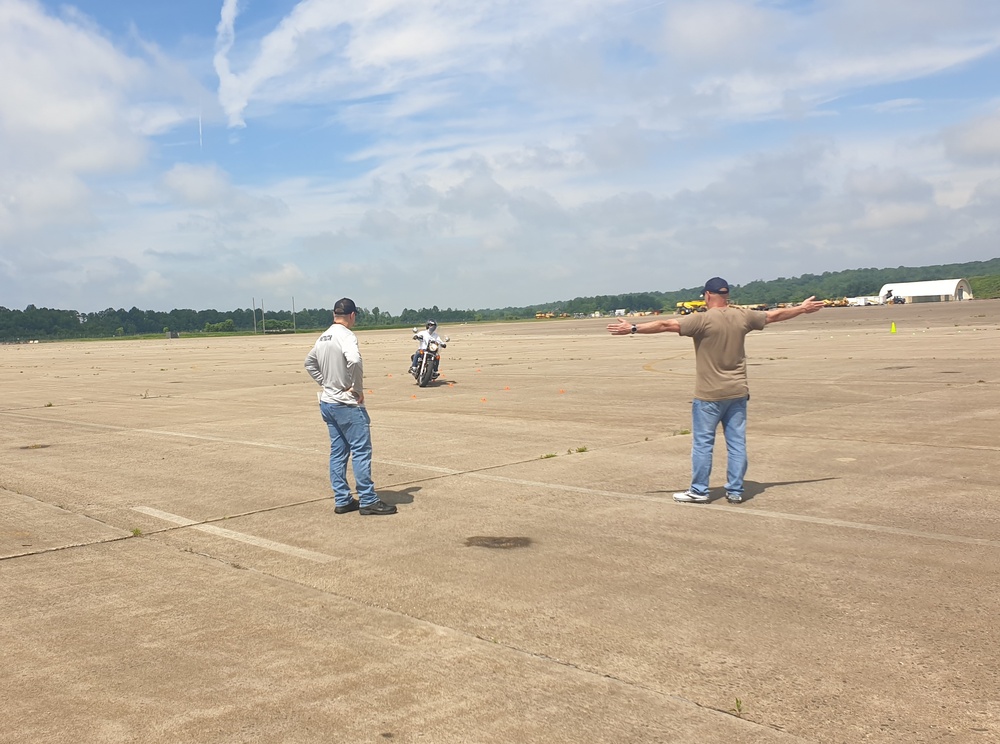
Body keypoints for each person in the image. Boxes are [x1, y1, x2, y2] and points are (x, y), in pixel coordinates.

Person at [607, 277, 824, 504]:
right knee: (737, 443)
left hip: (709, 395)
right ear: (726, 295)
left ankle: (699, 491)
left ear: (708, 295)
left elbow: (665, 325)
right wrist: (802, 308)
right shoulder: (743, 316)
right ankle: (735, 491)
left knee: (703, 443)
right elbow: (774, 315)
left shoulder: (702, 320)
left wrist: (632, 328)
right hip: (738, 392)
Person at [304, 298, 396, 516]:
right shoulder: (346, 335)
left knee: (338, 452)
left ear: (334, 314)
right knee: (361, 451)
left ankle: (342, 499)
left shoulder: (323, 336)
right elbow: (354, 360)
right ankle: (368, 499)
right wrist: (357, 388)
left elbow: (309, 363)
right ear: (353, 315)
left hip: (327, 402)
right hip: (345, 404)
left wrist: (325, 382)